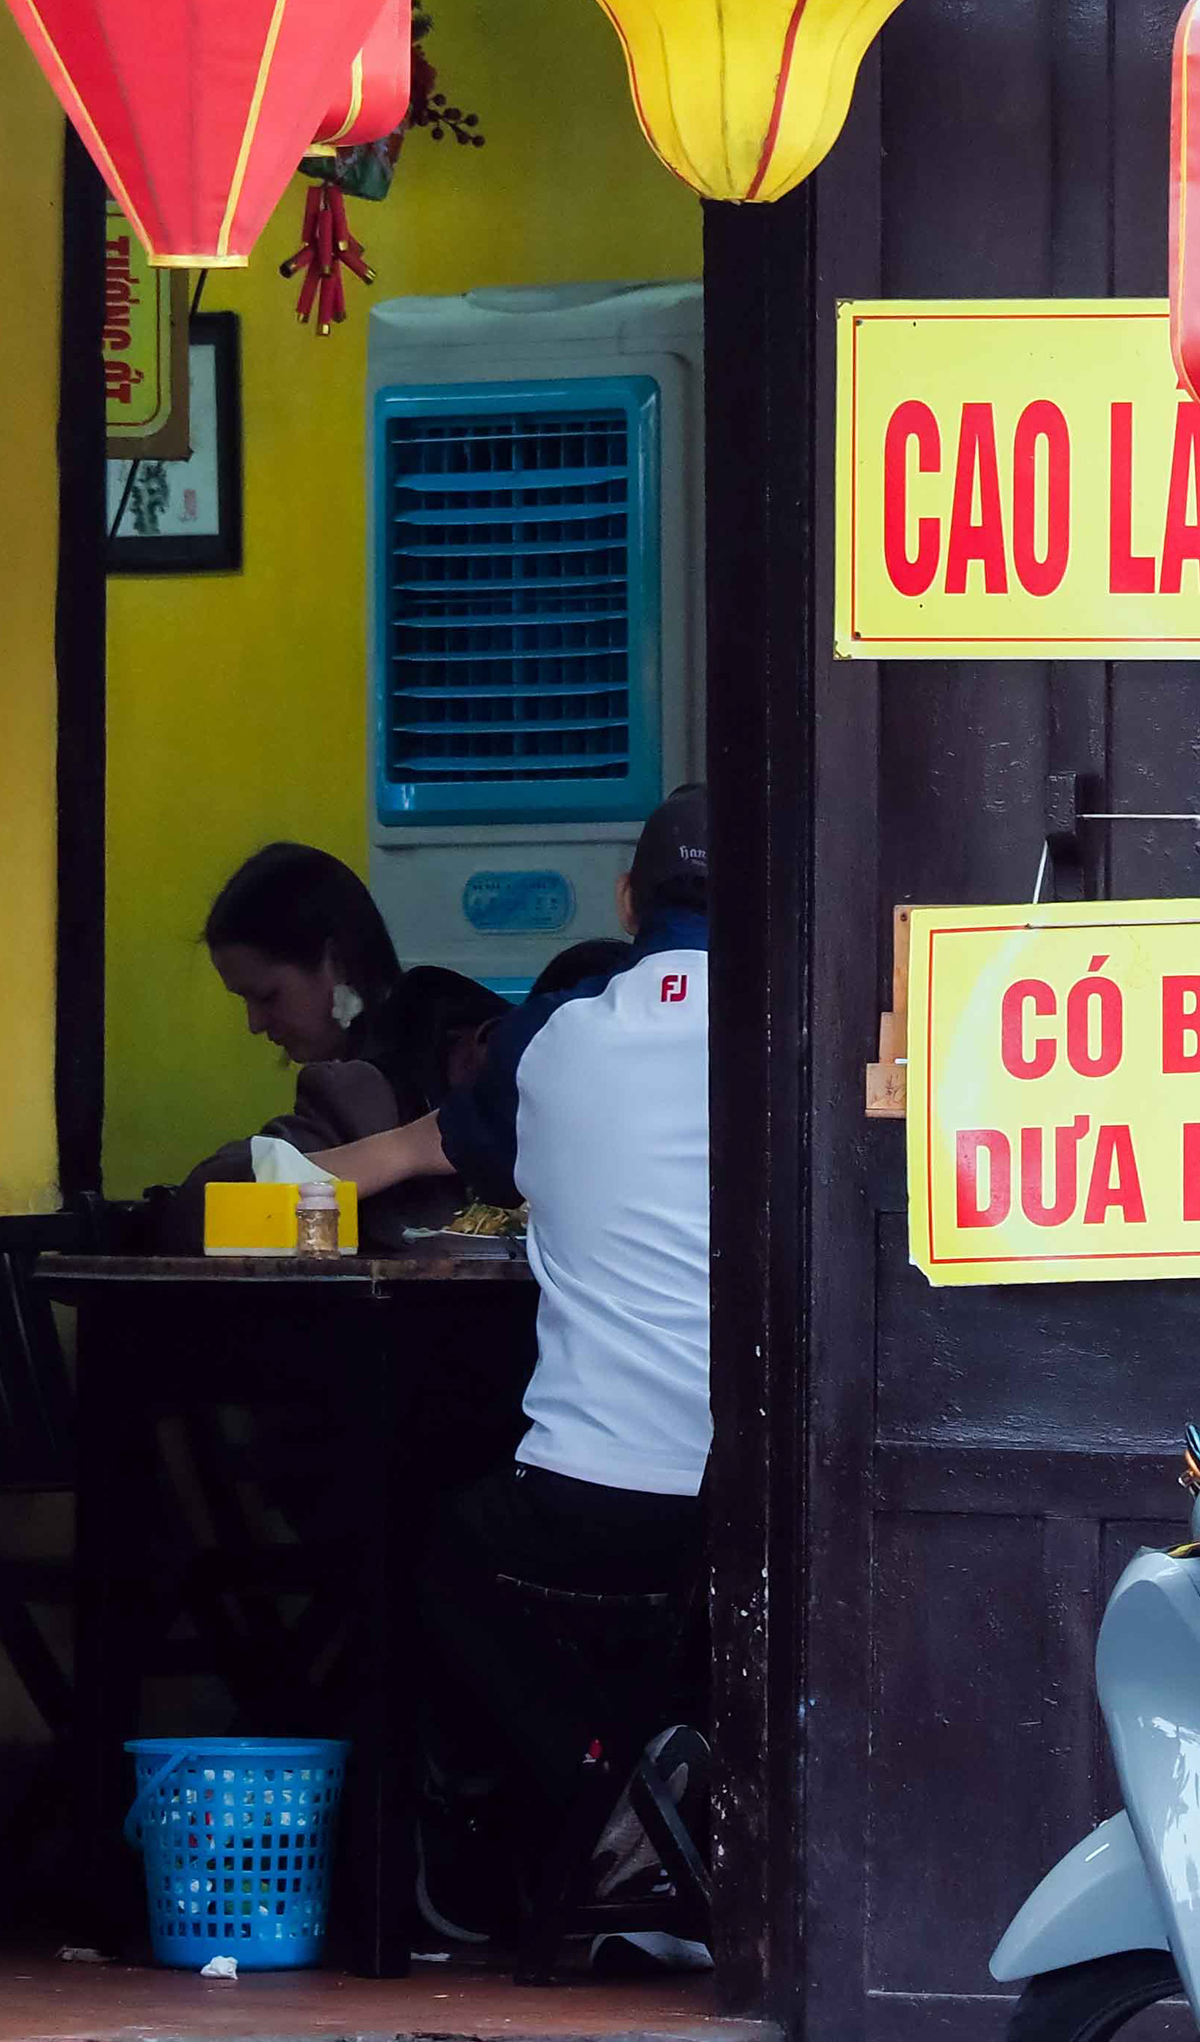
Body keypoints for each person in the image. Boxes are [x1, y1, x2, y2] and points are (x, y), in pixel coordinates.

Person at [308, 784, 712, 1944]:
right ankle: (656, 1798)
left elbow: (416, 1151)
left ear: (626, 901)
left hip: (587, 1502)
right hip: (771, 1502)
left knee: (433, 1556)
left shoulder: (552, 1040)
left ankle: (618, 1798)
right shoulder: (818, 1031)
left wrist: (256, 1193)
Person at [183, 843, 507, 1212]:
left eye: (267, 996)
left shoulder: (358, 1088)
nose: (254, 1023)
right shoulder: (457, 1019)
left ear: (336, 961)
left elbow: (213, 1204)